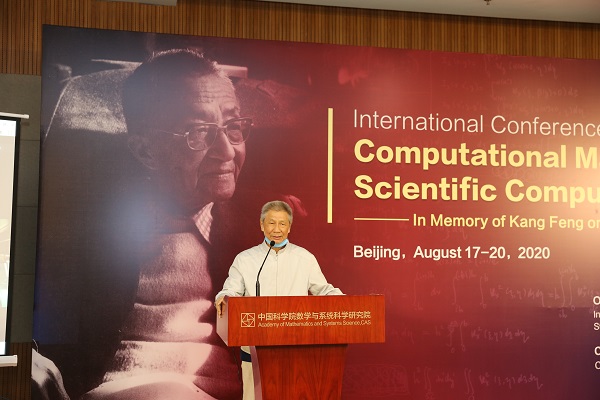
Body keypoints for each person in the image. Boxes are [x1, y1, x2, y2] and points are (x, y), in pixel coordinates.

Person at [34, 48, 257, 400]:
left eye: (233, 127)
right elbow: (30, 316)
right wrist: (26, 354)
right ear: (145, 151)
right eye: (199, 132)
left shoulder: (261, 227)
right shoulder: (85, 227)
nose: (228, 152)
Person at [215, 200, 343, 400]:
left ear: (289, 227)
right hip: (254, 350)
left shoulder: (304, 258)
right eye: (271, 223)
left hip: (295, 348)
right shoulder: (245, 259)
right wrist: (224, 298)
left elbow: (324, 290)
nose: (277, 229)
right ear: (262, 225)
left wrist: (343, 301)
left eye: (282, 224)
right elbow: (230, 291)